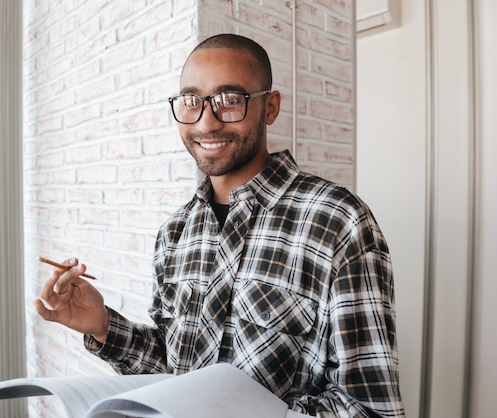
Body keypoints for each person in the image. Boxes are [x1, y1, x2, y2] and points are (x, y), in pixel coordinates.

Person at [35, 33, 405, 417]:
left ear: (270, 107)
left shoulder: (338, 221)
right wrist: (102, 326)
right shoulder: (174, 233)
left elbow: (369, 409)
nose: (206, 122)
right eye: (192, 101)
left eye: (230, 100)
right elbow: (175, 372)